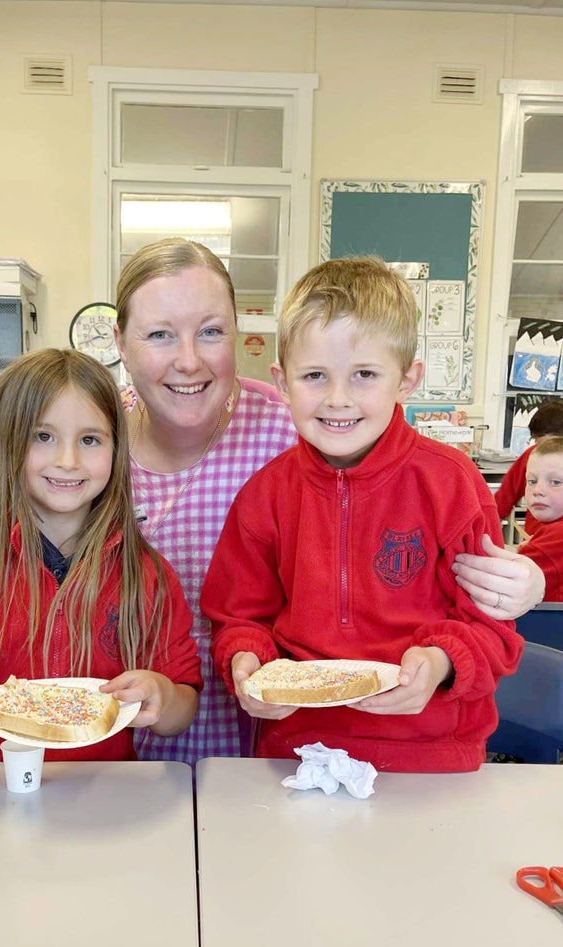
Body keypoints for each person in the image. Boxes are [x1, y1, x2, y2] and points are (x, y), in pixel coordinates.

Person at [114, 238, 542, 766]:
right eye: (315, 376)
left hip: (431, 755)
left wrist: (440, 662)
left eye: (364, 374)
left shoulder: (450, 483)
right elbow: (240, 615)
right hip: (294, 753)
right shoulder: (264, 491)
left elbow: (491, 623)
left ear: (407, 378)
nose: (338, 399)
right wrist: (247, 659)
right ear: (284, 383)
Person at [0, 349, 201, 761]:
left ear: (116, 450)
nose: (67, 461)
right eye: (42, 437)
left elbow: (182, 708)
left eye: (89, 440)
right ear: (8, 444)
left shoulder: (146, 574)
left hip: (93, 794)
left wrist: (162, 696)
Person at [494, 399, 563, 536]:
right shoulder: (531, 455)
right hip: (535, 541)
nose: (545, 452)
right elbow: (502, 501)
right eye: (540, 444)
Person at [518, 436, 563, 600]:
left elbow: (511, 579)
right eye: (532, 481)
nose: (538, 490)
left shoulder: (557, 535)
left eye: (555, 482)